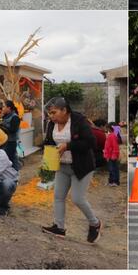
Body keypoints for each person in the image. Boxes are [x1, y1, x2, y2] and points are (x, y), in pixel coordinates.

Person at [41, 96, 102, 243]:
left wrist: (68, 146)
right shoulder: (51, 124)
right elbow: (49, 141)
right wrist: (48, 156)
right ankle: (59, 227)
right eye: (49, 113)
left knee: (77, 198)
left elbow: (90, 142)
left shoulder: (79, 121)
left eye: (54, 112)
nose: (51, 116)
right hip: (62, 166)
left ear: (64, 110)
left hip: (81, 166)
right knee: (58, 196)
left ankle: (95, 223)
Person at [0, 100, 22, 170]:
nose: (2, 108)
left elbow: (12, 130)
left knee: (10, 160)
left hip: (11, 142)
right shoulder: (4, 116)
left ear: (9, 108)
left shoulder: (15, 117)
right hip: (3, 141)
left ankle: (15, 172)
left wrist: (2, 126)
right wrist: (0, 118)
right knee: (8, 159)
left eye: (4, 107)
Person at [104, 122, 121, 186]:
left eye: (107, 128)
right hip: (110, 156)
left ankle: (115, 181)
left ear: (110, 128)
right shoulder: (111, 135)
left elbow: (115, 147)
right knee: (111, 169)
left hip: (112, 156)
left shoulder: (112, 136)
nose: (106, 129)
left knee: (113, 169)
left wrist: (114, 155)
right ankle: (111, 181)